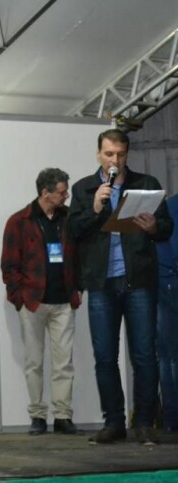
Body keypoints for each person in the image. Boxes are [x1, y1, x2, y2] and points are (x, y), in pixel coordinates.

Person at [68, 128, 173, 446]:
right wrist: (96, 209)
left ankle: (143, 422)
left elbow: (166, 228)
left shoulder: (146, 184)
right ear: (99, 154)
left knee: (144, 355)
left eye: (121, 154)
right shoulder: (85, 188)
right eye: (110, 154)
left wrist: (154, 226)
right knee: (104, 357)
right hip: (101, 283)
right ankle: (113, 422)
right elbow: (73, 230)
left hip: (139, 280)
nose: (116, 160)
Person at [1, 168, 82, 435]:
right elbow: (9, 265)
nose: (66, 195)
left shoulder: (70, 218)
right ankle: (37, 416)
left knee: (64, 363)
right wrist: (19, 297)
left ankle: (62, 416)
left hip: (63, 302)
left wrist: (78, 288)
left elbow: (80, 256)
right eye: (62, 192)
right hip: (33, 301)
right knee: (34, 362)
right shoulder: (19, 221)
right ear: (45, 193)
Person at [157, 193, 178, 433]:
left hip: (166, 282)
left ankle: (172, 418)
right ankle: (173, 416)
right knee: (171, 356)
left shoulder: (169, 205)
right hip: (169, 285)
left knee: (168, 355)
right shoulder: (172, 207)